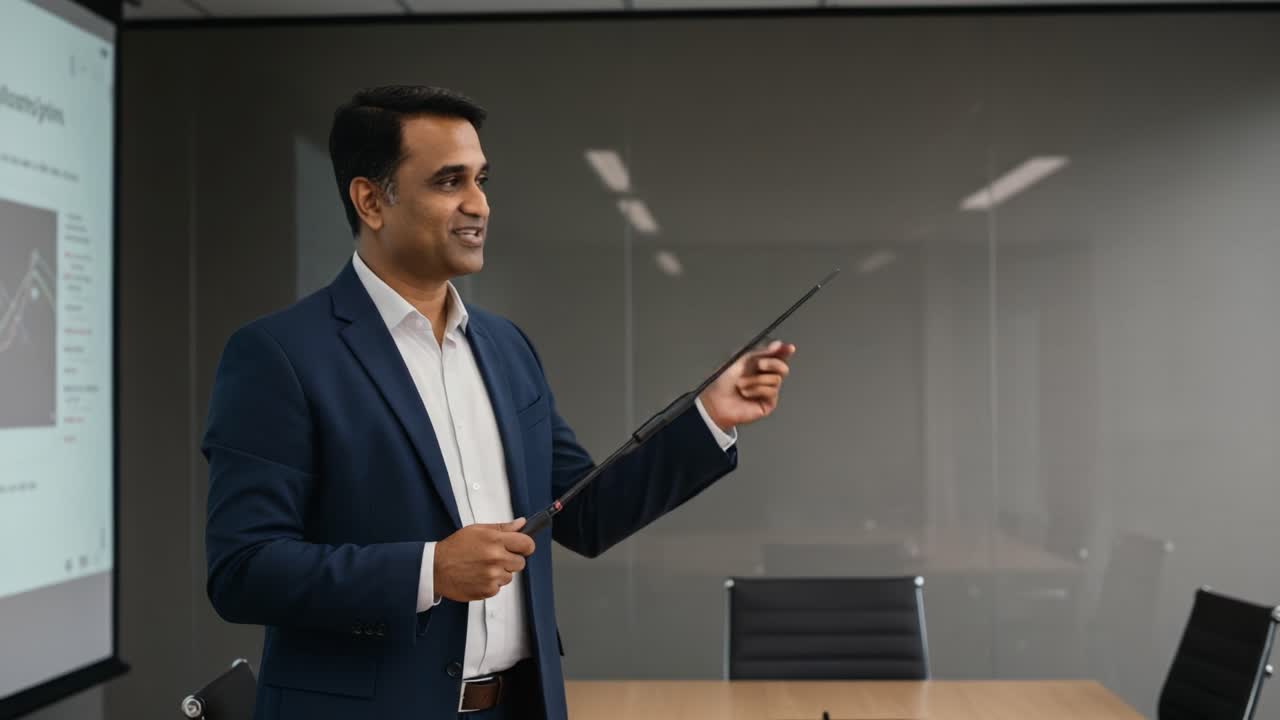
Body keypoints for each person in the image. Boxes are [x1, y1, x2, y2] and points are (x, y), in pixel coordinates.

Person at [202, 85, 797, 720]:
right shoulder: (279, 354)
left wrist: (708, 417)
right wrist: (430, 571)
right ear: (371, 200)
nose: (478, 205)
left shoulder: (506, 348)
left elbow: (582, 513)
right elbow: (244, 569)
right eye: (449, 181)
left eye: (481, 179)